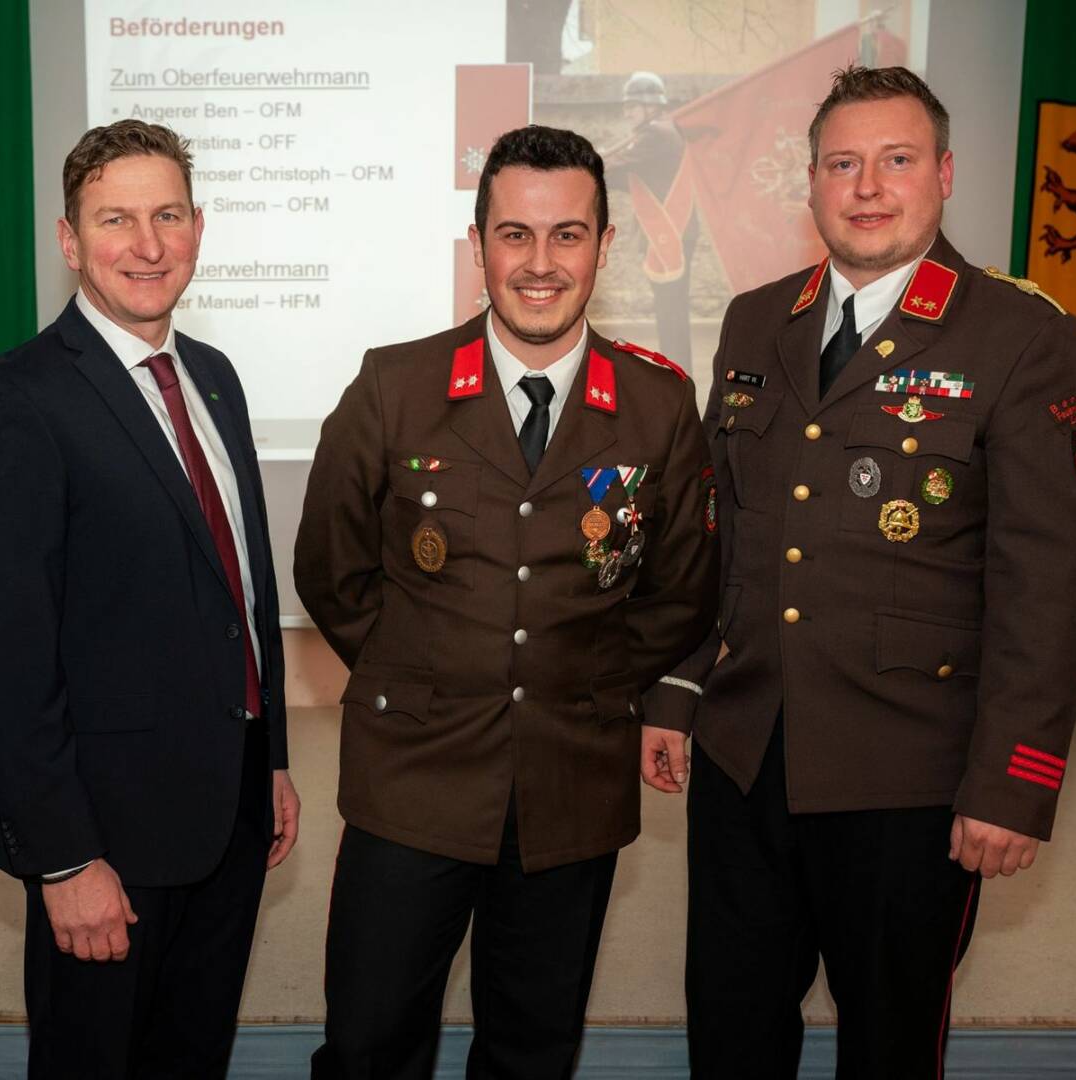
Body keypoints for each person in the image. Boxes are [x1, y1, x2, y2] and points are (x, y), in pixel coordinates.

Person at [646, 65, 1076, 1077]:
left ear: (944, 174)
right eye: (841, 164)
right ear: (810, 182)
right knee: (729, 1037)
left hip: (909, 774)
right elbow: (723, 531)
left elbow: (1048, 581)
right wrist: (679, 686)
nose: (866, 187)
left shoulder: (1021, 335)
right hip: (745, 758)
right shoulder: (757, 318)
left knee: (890, 1048)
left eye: (896, 160)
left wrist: (1013, 783)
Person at [296, 124, 718, 1079]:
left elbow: (681, 590)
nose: (540, 263)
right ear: (478, 242)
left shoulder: (657, 404)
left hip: (572, 780)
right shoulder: (394, 385)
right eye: (515, 234)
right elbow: (331, 568)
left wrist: (582, 677)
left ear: (605, 246)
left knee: (533, 1052)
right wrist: (426, 669)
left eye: (567, 235)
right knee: (368, 1045)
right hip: (413, 774)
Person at [0, 119, 299, 1079]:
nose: (148, 244)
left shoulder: (213, 377)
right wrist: (62, 857)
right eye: (116, 220)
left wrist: (269, 758)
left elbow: (243, 588)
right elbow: (4, 661)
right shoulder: (14, 401)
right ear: (69, 241)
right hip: (107, 839)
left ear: (199, 228)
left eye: (168, 216)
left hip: (229, 812)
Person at [606, 70, 699, 368]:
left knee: (670, 310)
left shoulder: (656, 134)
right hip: (671, 229)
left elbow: (616, 168)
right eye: (626, 106)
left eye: (632, 105)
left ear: (651, 105)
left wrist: (585, 161)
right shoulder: (661, 131)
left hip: (669, 229)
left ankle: (676, 373)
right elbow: (628, 178)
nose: (627, 112)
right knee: (671, 309)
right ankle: (677, 370)